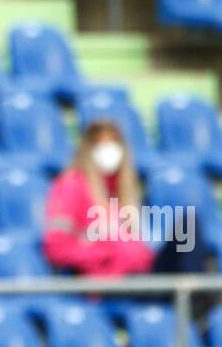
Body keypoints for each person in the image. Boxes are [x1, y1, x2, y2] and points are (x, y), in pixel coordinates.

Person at [43, 119, 155, 277]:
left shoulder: (124, 192)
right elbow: (57, 249)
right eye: (100, 144)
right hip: (105, 281)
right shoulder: (71, 186)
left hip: (135, 274)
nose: (108, 150)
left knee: (187, 232)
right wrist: (106, 251)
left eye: (114, 143)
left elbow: (138, 250)